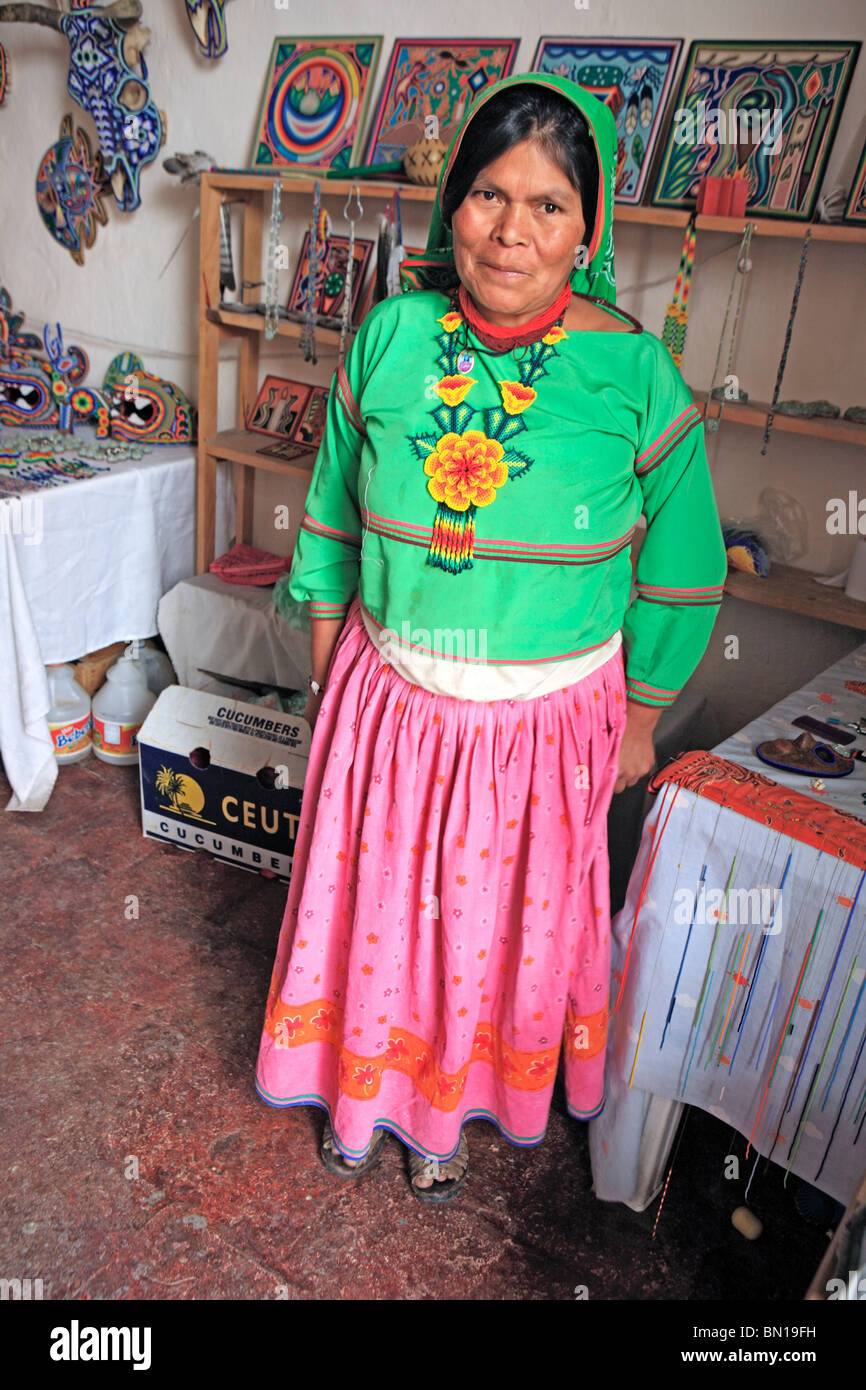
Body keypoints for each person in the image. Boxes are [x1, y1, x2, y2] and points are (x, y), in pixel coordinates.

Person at [255, 72, 727, 1201]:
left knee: (483, 927)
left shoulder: (632, 372)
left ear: (589, 227)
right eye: (486, 195)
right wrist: (334, 661)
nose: (512, 231)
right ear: (448, 207)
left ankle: (444, 1118)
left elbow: (683, 569)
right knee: (380, 913)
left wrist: (643, 715)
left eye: (548, 205)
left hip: (541, 727)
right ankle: (365, 1094)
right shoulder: (389, 338)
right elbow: (325, 513)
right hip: (393, 705)